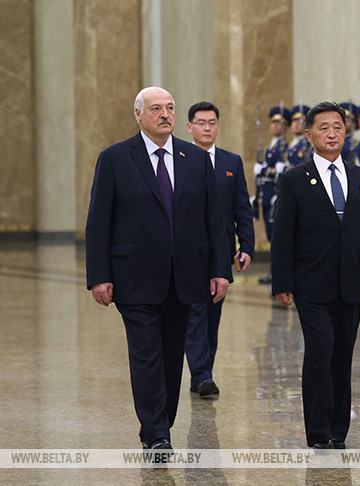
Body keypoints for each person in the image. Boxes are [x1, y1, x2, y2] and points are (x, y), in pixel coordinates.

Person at [86, 87, 229, 450]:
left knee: (170, 357)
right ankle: (157, 435)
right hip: (134, 278)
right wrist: (99, 276)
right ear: (138, 114)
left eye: (169, 108)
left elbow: (214, 220)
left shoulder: (195, 160)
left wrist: (219, 270)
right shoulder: (116, 158)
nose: (164, 114)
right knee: (146, 354)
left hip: (184, 278)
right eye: (155, 109)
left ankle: (160, 424)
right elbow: (99, 221)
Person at [271, 101, 360, 449]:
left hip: (349, 284)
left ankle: (339, 429)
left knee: (342, 356)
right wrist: (283, 282)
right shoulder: (295, 179)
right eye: (323, 127)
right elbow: (283, 235)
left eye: (337, 126)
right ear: (309, 135)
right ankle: (318, 431)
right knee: (320, 350)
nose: (332, 133)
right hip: (311, 284)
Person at [184, 101, 255, 397]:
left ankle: (203, 372)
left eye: (212, 122)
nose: (207, 128)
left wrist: (247, 245)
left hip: (221, 250)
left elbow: (242, 207)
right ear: (190, 127)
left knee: (213, 314)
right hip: (187, 251)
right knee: (195, 312)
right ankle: (202, 374)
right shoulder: (180, 158)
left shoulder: (231, 162)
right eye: (201, 123)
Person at [255, 105, 292, 284]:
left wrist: (264, 170)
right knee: (271, 235)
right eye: (274, 123)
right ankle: (274, 270)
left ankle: (280, 272)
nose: (275, 126)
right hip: (267, 194)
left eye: (280, 123)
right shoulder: (271, 147)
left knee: (278, 236)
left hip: (277, 194)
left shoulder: (284, 147)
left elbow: (281, 172)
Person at [284, 104, 312, 171]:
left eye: (300, 120)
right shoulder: (292, 144)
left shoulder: (309, 143)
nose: (296, 123)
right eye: (294, 120)